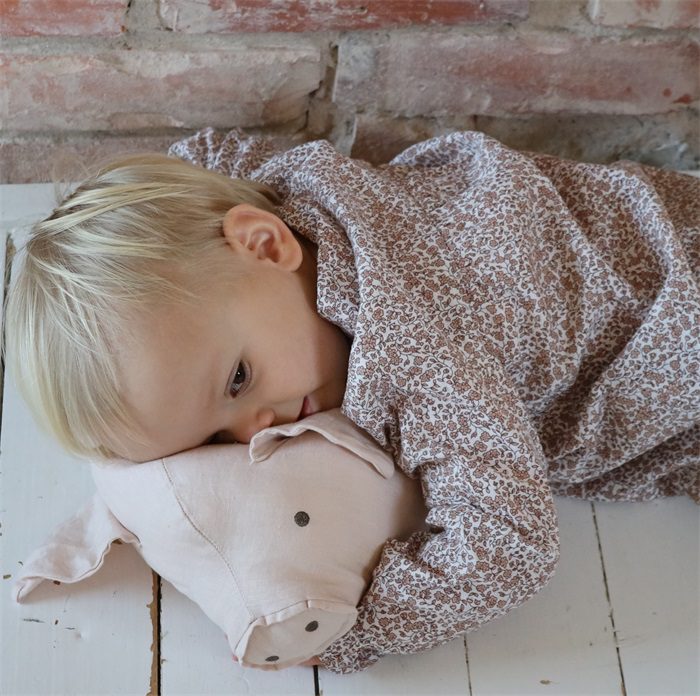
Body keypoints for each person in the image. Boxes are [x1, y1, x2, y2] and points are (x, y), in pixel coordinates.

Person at [4, 128, 698, 674]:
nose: (258, 432)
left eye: (239, 379)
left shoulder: (416, 351)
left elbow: (510, 543)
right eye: (214, 442)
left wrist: (350, 632)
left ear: (266, 244)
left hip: (668, 317)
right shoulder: (279, 192)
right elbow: (203, 153)